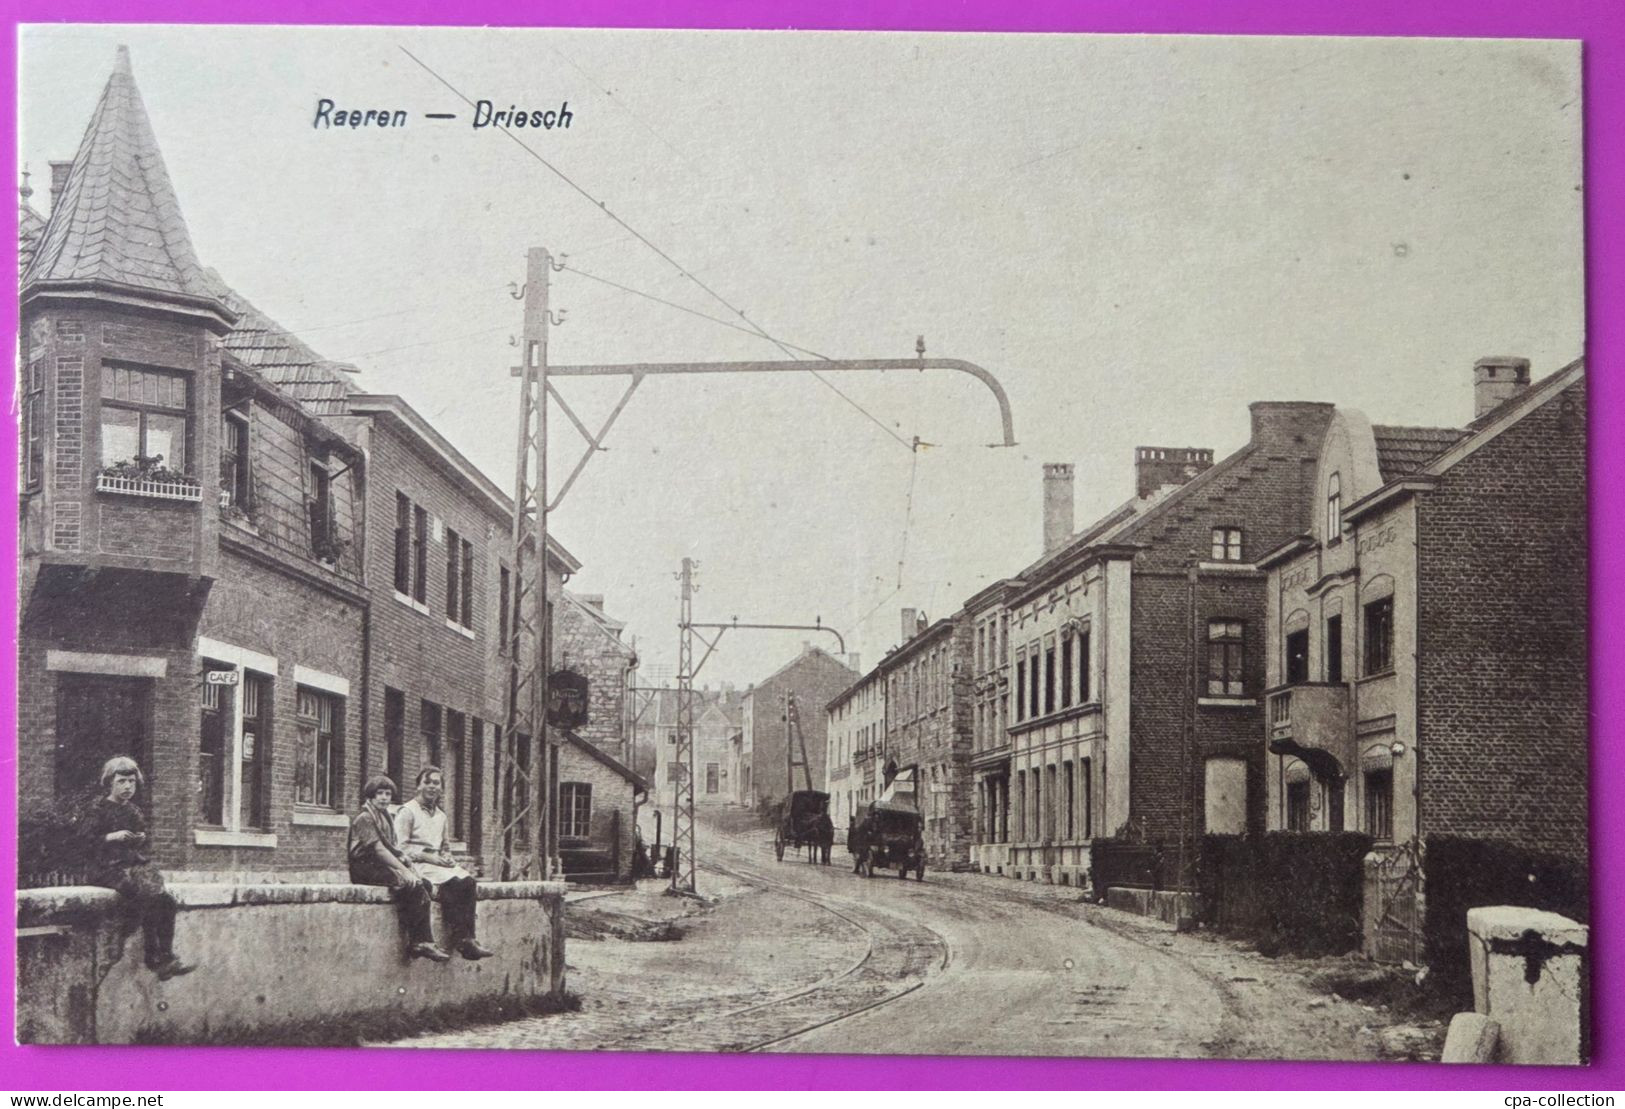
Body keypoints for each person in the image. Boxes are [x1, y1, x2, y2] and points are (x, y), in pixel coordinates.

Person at [79, 756, 195, 980]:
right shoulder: (98, 809)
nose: (127, 787)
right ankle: (152, 958)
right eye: (122, 781)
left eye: (131, 782)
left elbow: (141, 841)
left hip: (131, 864)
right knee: (144, 896)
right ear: (109, 782)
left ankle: (166, 955)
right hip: (105, 867)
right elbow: (84, 842)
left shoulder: (133, 811)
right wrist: (112, 836)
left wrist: (139, 838)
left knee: (166, 900)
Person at [347, 774, 450, 963]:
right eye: (379, 794)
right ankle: (421, 941)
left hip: (379, 865)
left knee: (424, 884)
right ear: (370, 796)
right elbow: (379, 850)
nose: (384, 798)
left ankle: (419, 939)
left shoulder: (384, 816)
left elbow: (392, 848)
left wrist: (408, 865)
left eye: (387, 794)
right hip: (364, 867)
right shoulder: (365, 818)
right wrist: (403, 871)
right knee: (412, 885)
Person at [394, 767, 493, 960]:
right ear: (418, 786)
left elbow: (445, 846)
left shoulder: (441, 816)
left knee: (467, 882)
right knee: (446, 885)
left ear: (441, 789)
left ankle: (466, 940)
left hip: (437, 865)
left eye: (436, 783)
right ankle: (430, 940)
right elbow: (400, 847)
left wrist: (448, 857)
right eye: (427, 782)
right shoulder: (407, 811)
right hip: (417, 864)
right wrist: (428, 857)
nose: (431, 787)